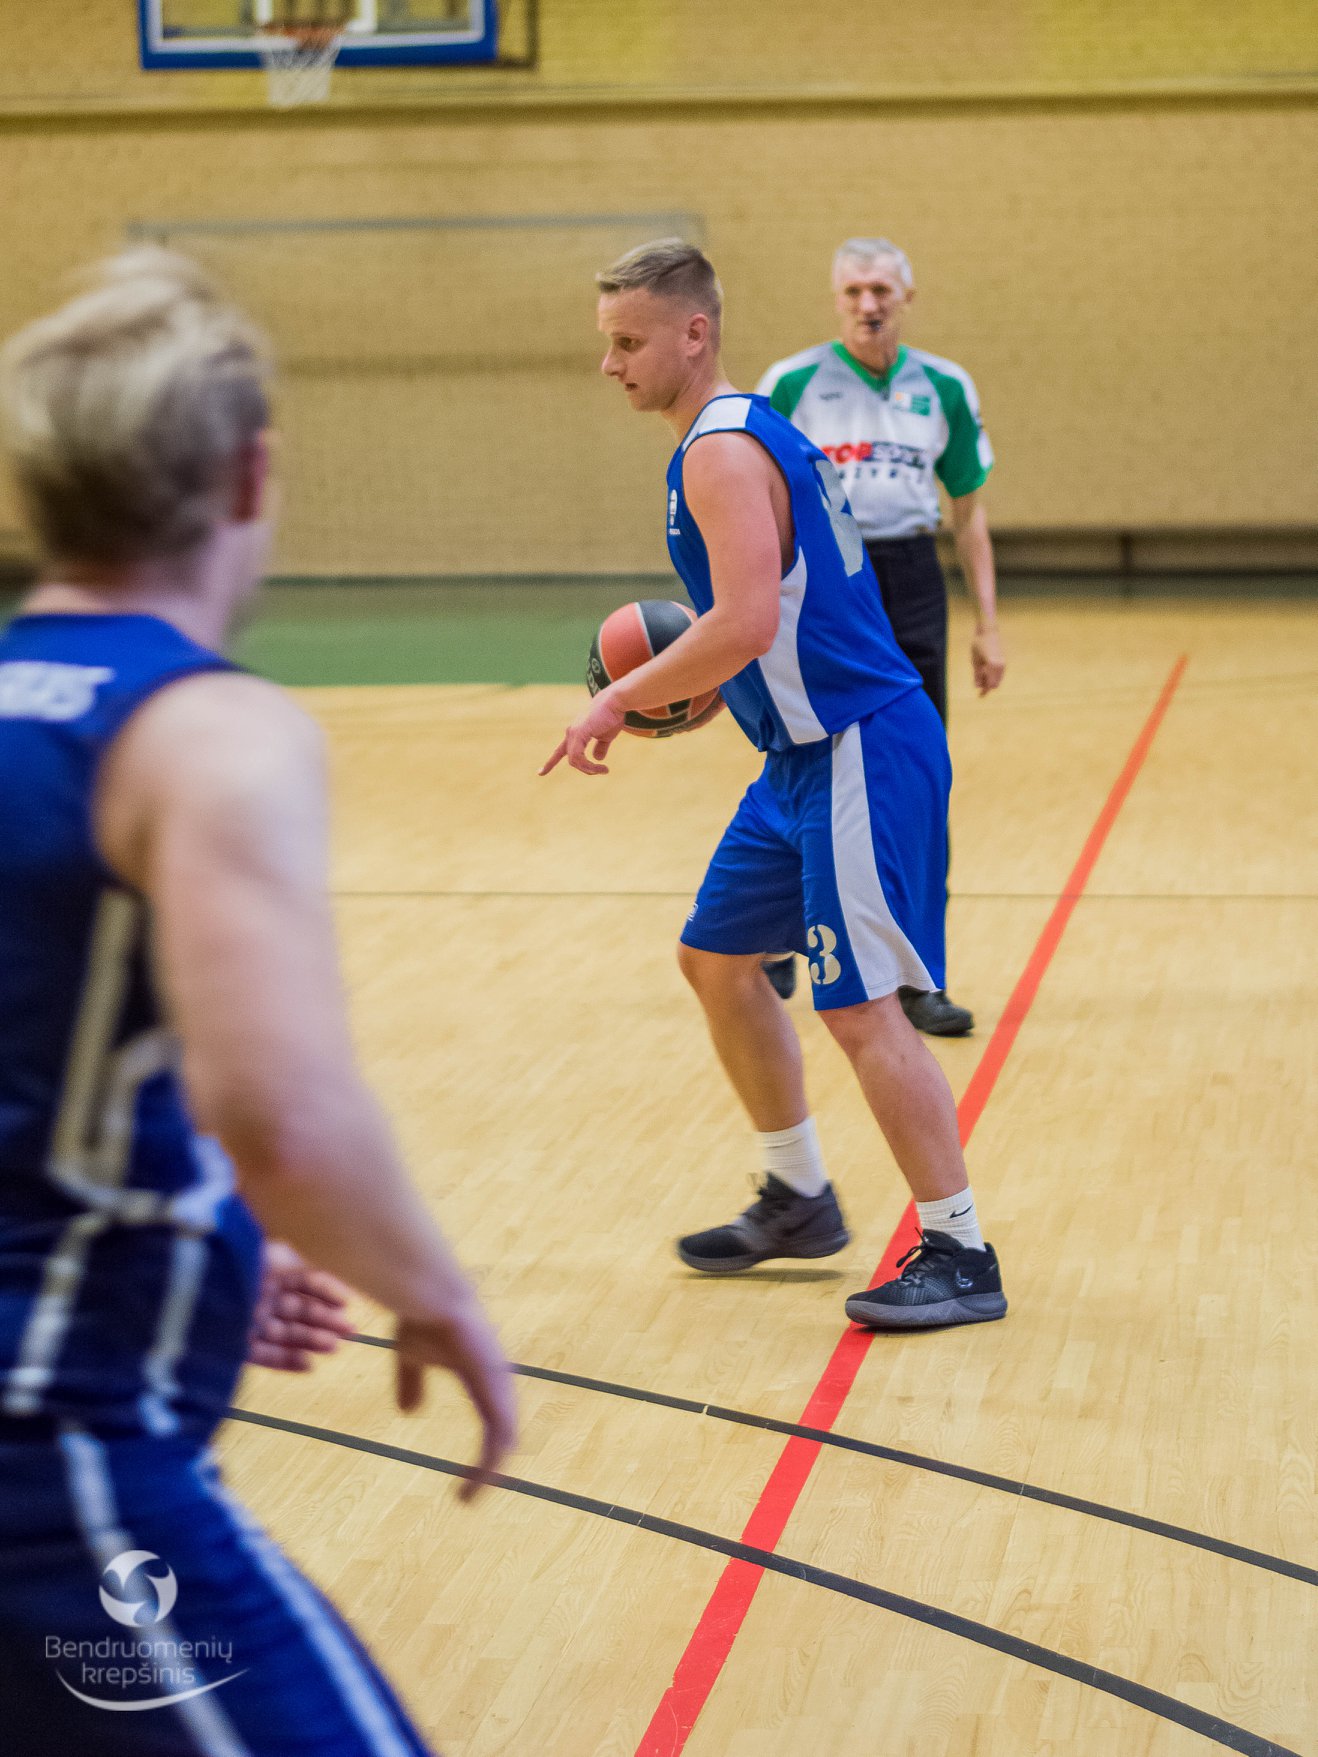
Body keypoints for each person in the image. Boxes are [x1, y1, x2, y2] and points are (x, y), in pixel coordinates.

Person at [0, 248, 516, 1754]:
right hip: (54, 1455)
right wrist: (434, 1293)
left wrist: (208, 1232)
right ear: (251, 474)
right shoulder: (206, 731)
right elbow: (282, 1112)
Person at [542, 239, 1007, 1333]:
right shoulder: (747, 428)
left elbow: (746, 620)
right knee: (715, 959)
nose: (610, 363)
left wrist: (617, 699)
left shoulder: (717, 450)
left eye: (628, 341)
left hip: (856, 745)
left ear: (693, 332)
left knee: (860, 1006)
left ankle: (959, 1250)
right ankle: (798, 1195)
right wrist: (713, 687)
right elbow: (773, 616)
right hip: (797, 755)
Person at [756, 237, 1004, 1036]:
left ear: (907, 296)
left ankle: (918, 975)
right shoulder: (790, 383)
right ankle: (778, 929)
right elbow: (753, 501)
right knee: (808, 759)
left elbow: (969, 513)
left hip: (912, 575)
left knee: (918, 775)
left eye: (882, 290)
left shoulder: (945, 385)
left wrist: (988, 624)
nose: (869, 304)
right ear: (837, 298)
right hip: (823, 583)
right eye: (855, 290)